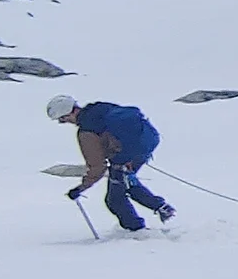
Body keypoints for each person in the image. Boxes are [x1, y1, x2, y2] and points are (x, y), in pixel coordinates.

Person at [47, 95, 176, 231]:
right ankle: (160, 208)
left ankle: (137, 230)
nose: (64, 122)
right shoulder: (101, 108)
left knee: (114, 200)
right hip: (144, 146)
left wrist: (80, 188)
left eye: (62, 119)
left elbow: (97, 166)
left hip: (122, 158)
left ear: (68, 114)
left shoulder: (87, 132)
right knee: (126, 182)